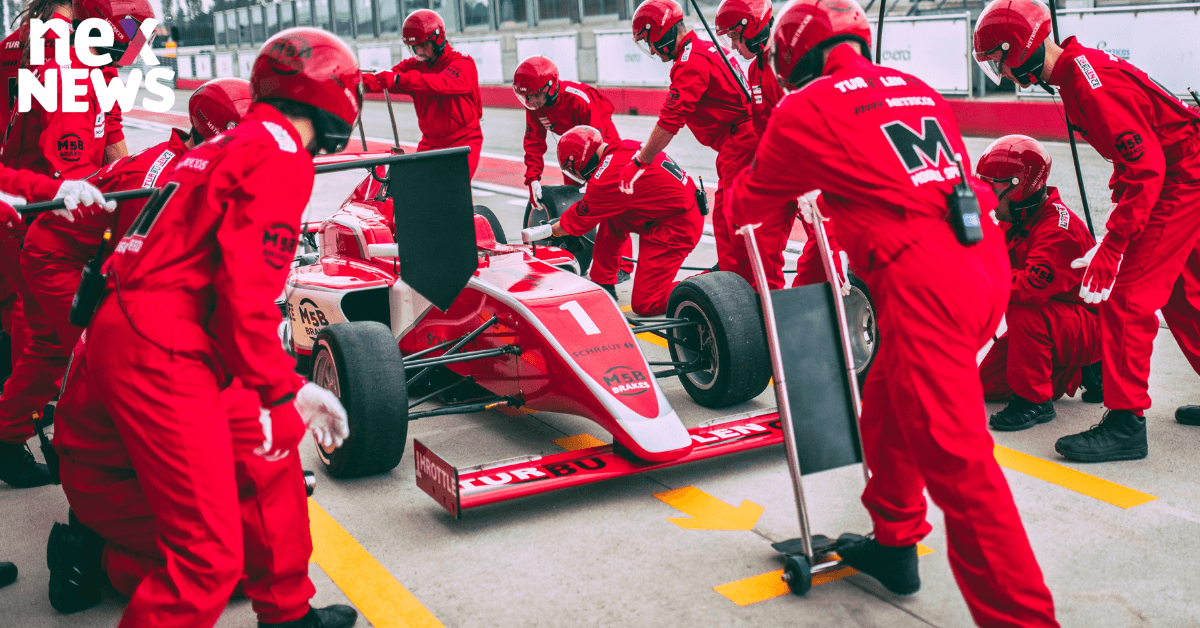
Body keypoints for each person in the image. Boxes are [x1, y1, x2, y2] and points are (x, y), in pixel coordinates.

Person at [729, 0, 1059, 624]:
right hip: (983, 262)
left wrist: (767, 135)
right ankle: (894, 541)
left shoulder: (803, 108)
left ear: (791, 57)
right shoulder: (914, 87)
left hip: (925, 283)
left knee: (963, 472)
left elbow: (747, 206)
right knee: (884, 402)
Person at [49, 27, 360, 628]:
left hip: (167, 334)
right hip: (163, 347)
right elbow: (246, 297)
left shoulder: (224, 143)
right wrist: (287, 388)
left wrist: (277, 397)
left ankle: (289, 615)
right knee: (210, 557)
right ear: (336, 102)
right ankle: (91, 553)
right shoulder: (279, 155)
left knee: (272, 462)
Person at [2, 78, 254, 493]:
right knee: (108, 360)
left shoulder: (188, 161)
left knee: (49, 351)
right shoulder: (164, 183)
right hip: (57, 257)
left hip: (67, 245)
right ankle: (96, 473)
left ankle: (6, 439)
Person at [974, 0, 1200, 461]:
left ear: (1014, 49)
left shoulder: (1086, 85)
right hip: (1183, 170)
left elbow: (1148, 168)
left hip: (1181, 178)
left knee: (1126, 298)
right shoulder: (1080, 71)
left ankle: (1125, 424)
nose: (1002, 72)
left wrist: (1114, 245)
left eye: (998, 61)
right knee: (1183, 293)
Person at [0, 0, 145, 485]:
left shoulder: (26, 42)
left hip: (21, 204)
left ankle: (16, 434)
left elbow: (112, 131)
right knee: (81, 341)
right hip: (41, 212)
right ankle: (87, 455)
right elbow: (75, 161)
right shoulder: (66, 48)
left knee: (43, 336)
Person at [975, 135, 1102, 431]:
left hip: (1091, 324)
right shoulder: (1014, 217)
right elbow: (992, 259)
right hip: (1060, 320)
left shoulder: (1058, 231)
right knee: (987, 386)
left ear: (1022, 186)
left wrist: (978, 281)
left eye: (994, 186)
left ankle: (1035, 402)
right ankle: (1083, 370)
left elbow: (1027, 288)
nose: (987, 193)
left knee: (1024, 310)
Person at [628, 0, 755, 279]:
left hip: (739, 142)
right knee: (727, 218)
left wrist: (640, 160)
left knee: (732, 220)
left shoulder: (691, 62)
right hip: (740, 141)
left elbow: (671, 121)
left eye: (649, 41)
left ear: (661, 32)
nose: (651, 49)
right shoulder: (706, 47)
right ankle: (735, 275)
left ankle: (743, 286)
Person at [551, 126, 703, 315]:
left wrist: (551, 230)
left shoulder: (605, 179)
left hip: (675, 226)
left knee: (646, 303)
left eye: (570, 169)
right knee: (612, 215)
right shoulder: (622, 147)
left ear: (577, 160)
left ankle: (709, 282)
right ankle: (603, 282)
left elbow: (574, 222)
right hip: (669, 211)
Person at [513, 55, 634, 289]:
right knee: (575, 203)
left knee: (609, 206)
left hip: (600, 146)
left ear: (550, 86)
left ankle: (623, 264)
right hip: (571, 153)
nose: (531, 102)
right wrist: (533, 178)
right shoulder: (535, 105)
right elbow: (533, 143)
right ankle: (577, 254)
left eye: (534, 95)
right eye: (525, 97)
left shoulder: (580, 100)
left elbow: (596, 140)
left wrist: (596, 177)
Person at [362, 9, 483, 178]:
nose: (419, 51)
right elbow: (382, 79)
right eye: (414, 47)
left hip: (463, 141)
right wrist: (348, 81)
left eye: (423, 45)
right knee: (417, 191)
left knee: (452, 192)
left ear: (437, 39)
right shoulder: (413, 65)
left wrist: (399, 79)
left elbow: (441, 83)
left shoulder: (462, 62)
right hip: (430, 142)